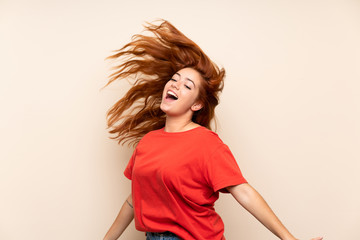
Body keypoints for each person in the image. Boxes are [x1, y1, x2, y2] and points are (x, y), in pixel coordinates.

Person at [103, 20, 323, 240]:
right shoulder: (148, 141)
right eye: (174, 79)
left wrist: (289, 239)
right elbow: (134, 199)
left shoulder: (206, 144)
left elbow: (243, 191)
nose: (175, 85)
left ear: (196, 104)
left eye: (187, 86)